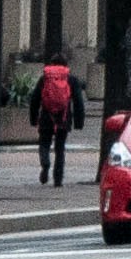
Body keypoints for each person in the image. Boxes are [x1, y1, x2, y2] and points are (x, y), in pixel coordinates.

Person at [27, 55, 81, 185]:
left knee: (44, 144)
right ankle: (58, 180)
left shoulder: (45, 79)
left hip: (46, 117)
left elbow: (35, 100)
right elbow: (78, 102)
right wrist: (78, 122)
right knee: (60, 149)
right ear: (66, 65)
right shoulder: (71, 79)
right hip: (63, 118)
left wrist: (33, 119)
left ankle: (45, 164)